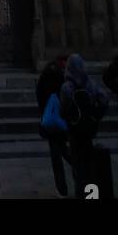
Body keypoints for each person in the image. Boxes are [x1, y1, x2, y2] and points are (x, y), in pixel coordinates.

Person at [59, 53, 110, 197]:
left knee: (78, 167)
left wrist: (69, 117)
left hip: (74, 130)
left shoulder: (67, 87)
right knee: (89, 165)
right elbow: (104, 99)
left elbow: (63, 111)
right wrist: (95, 116)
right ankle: (92, 194)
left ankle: (81, 193)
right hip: (88, 129)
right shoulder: (91, 84)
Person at [36, 57, 71, 197]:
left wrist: (44, 111)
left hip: (50, 119)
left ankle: (62, 189)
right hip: (62, 119)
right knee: (62, 148)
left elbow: (39, 94)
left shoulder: (45, 75)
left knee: (57, 153)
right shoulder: (65, 77)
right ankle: (82, 172)